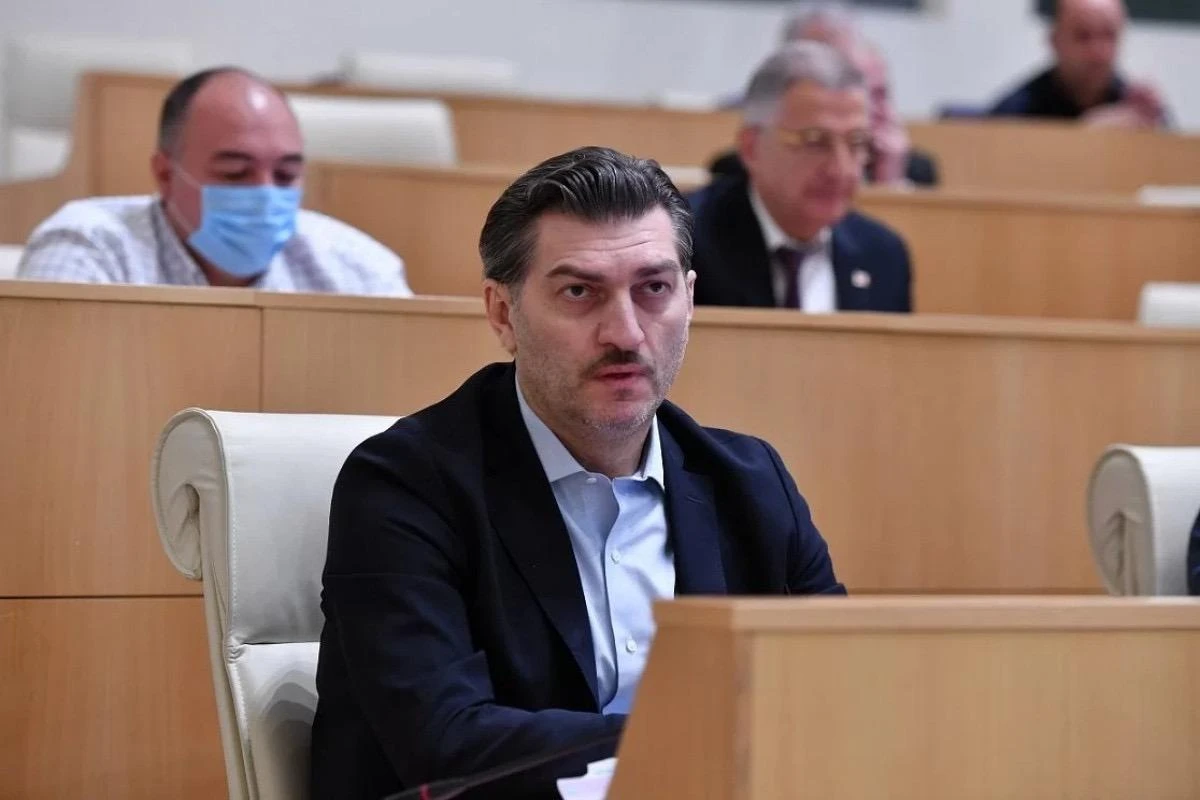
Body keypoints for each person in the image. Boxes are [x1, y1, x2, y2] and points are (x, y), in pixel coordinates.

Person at [310, 146, 845, 799]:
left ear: (689, 299)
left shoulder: (751, 483)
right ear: (503, 314)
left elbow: (836, 689)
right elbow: (445, 742)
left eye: (653, 289)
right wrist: (696, 738)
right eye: (579, 292)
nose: (625, 333)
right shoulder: (404, 486)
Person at [18, 67, 412, 294]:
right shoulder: (90, 247)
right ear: (165, 174)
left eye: (285, 174)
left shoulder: (358, 270)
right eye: (235, 172)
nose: (265, 193)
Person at [691, 42, 912, 313]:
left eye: (856, 143)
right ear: (751, 147)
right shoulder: (686, 244)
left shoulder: (883, 255)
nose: (841, 169)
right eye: (815, 141)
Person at [714, 2, 938, 187]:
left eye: (873, 92)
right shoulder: (739, 171)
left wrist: (889, 182)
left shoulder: (915, 172)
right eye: (820, 79)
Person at [988, 0, 1169, 128]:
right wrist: (1084, 134)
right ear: (1055, 41)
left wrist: (1154, 129)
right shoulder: (1015, 114)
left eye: (1109, 35)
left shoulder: (1135, 106)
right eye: (1083, 36)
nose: (1098, 52)